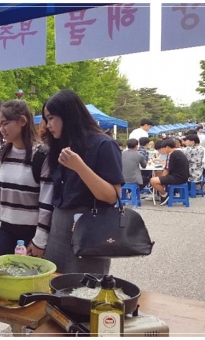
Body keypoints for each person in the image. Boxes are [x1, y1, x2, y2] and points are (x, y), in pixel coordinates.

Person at [0, 100, 54, 336]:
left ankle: (28, 327)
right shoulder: (0, 153)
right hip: (7, 228)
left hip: (32, 232)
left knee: (32, 283)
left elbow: (47, 202)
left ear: (22, 121)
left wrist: (40, 240)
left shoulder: (42, 155)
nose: (2, 129)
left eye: (6, 123)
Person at [41, 89, 123, 275]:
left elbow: (112, 196)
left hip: (90, 228)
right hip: (59, 226)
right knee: (54, 287)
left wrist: (80, 167)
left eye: (52, 117)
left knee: (85, 290)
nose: (48, 124)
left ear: (69, 115)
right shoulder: (59, 146)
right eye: (46, 119)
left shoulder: (104, 144)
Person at [149, 139, 190, 205]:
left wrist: (161, 180)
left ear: (167, 147)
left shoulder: (172, 154)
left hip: (178, 178)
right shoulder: (177, 152)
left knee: (153, 180)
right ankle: (162, 191)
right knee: (157, 174)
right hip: (182, 176)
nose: (163, 150)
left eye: (163, 148)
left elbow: (167, 170)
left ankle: (164, 195)